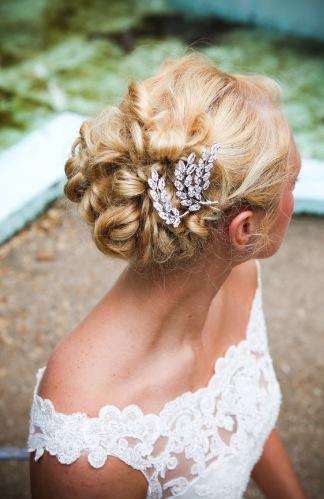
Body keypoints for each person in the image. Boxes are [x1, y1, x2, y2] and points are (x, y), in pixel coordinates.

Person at [27, 52, 307, 498]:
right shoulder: (89, 445)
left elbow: (240, 421)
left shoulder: (239, 276)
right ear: (245, 229)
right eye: (292, 181)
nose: (293, 193)